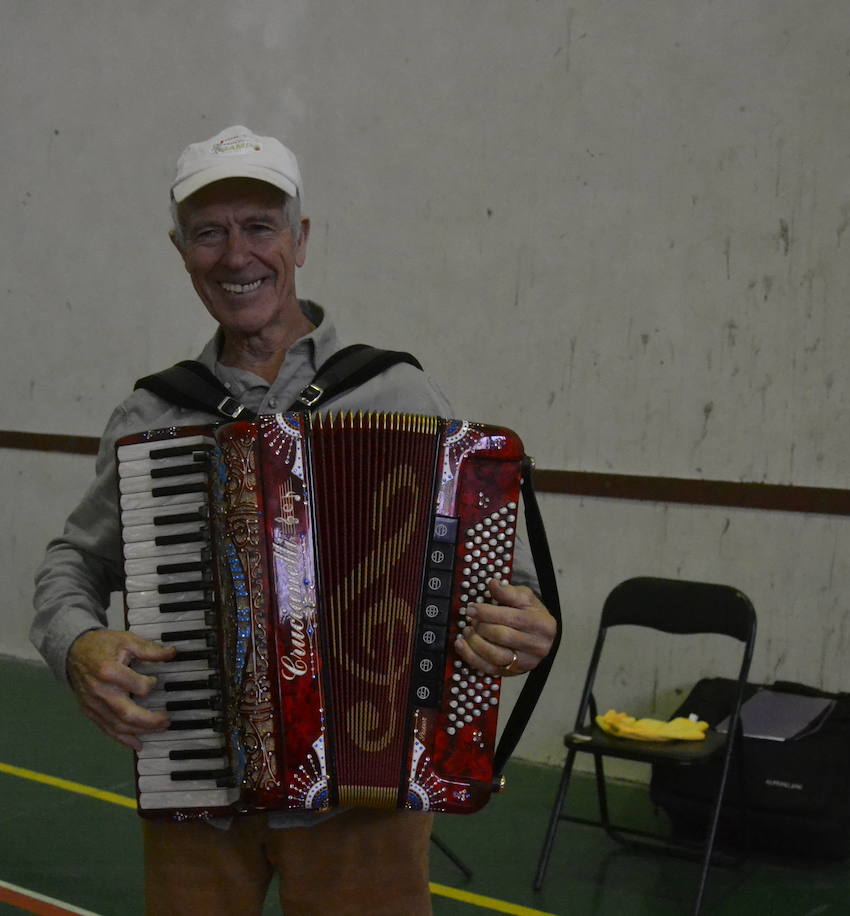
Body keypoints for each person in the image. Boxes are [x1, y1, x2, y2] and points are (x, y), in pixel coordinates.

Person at [32, 125, 557, 916]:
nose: (235, 254)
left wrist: (523, 627)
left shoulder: (399, 396)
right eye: (208, 232)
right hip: (200, 787)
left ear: (299, 240)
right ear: (181, 252)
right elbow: (74, 561)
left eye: (258, 226)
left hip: (363, 809)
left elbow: (499, 592)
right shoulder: (155, 415)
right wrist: (78, 645)